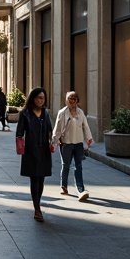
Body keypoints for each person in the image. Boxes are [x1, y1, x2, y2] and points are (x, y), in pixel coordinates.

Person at [16, 86, 54, 221]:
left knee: (41, 179)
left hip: (43, 150)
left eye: (43, 98)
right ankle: (37, 208)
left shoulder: (46, 113)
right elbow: (19, 132)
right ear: (33, 98)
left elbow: (50, 131)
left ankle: (38, 204)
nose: (42, 100)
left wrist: (54, 141)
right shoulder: (25, 113)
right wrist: (21, 148)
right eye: (39, 98)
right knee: (34, 179)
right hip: (31, 151)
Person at [52, 91, 93, 200]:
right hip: (66, 144)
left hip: (78, 144)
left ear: (77, 100)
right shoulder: (62, 113)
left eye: (74, 98)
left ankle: (81, 189)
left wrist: (89, 138)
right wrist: (54, 142)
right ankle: (63, 185)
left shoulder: (80, 112)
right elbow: (57, 129)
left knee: (78, 166)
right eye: (70, 98)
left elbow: (86, 126)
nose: (72, 100)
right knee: (66, 165)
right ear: (66, 100)